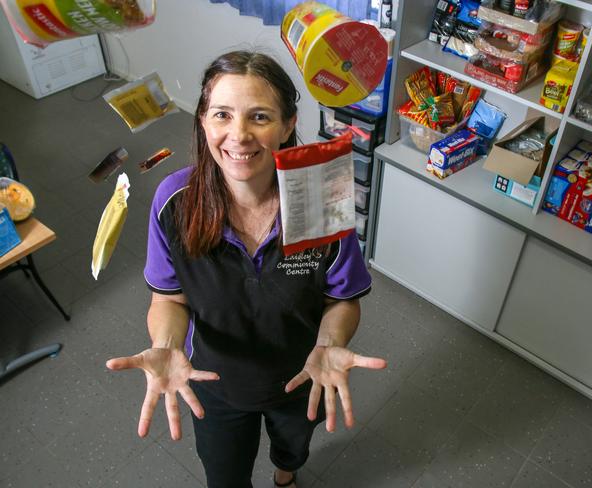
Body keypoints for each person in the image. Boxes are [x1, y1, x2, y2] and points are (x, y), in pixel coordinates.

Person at [106, 50, 386, 488]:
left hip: (302, 376)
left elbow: (341, 298)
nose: (238, 135)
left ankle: (285, 477)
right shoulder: (173, 201)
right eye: (222, 114)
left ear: (288, 124)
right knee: (225, 475)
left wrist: (331, 342)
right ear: (203, 120)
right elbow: (169, 298)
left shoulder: (319, 196)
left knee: (292, 451)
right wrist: (165, 344)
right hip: (213, 382)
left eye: (259, 116)